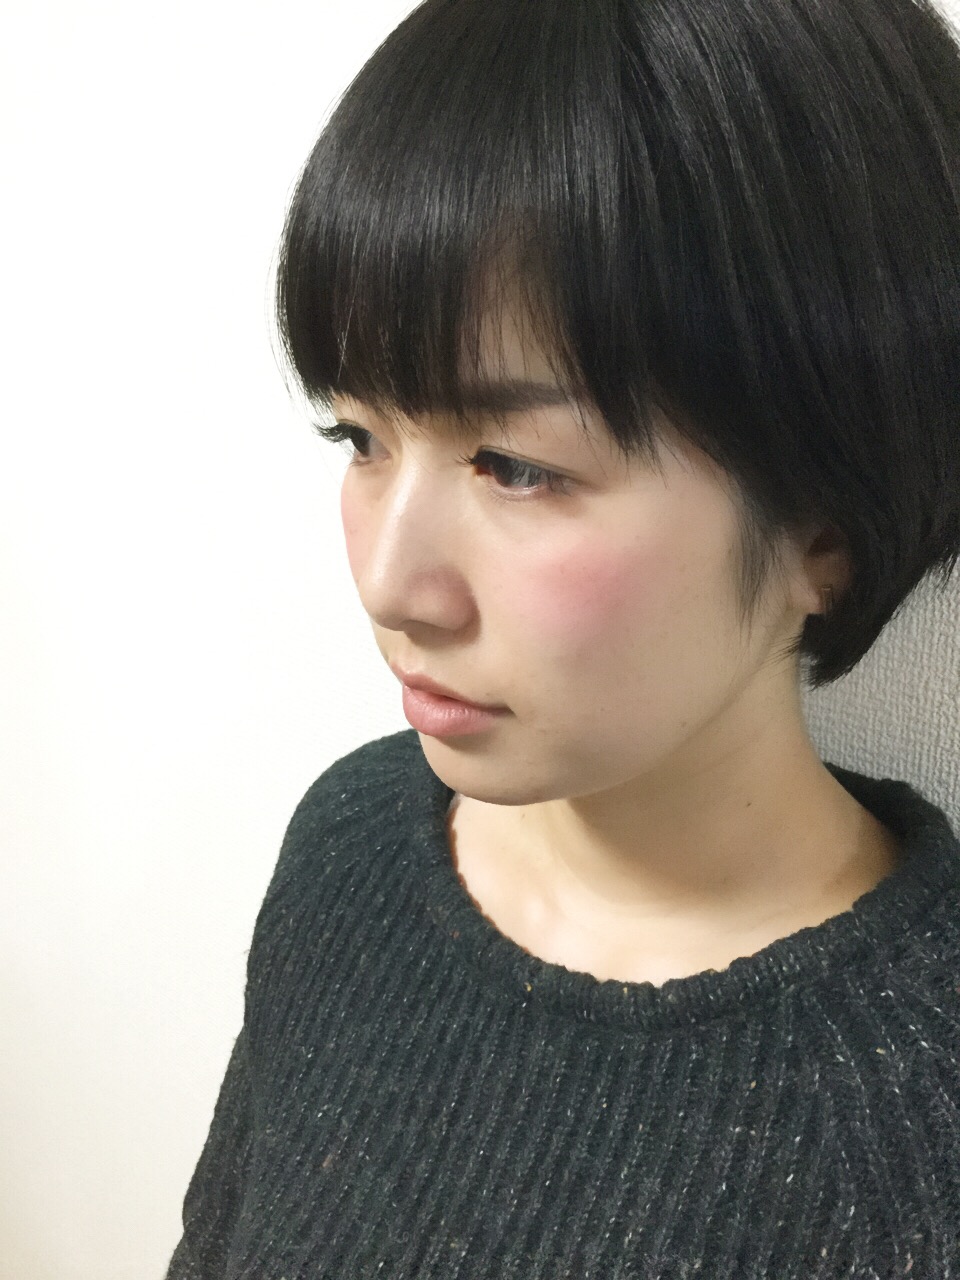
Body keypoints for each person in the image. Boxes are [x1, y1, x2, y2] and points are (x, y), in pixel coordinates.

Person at [165, 0, 960, 1275]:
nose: (391, 583)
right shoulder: (350, 847)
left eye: (516, 465)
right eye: (360, 436)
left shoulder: (920, 1115)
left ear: (824, 529)